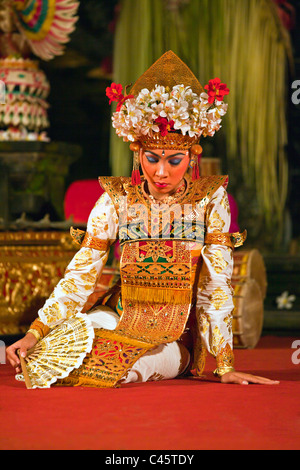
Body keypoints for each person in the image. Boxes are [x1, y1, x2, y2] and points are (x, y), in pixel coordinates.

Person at [7, 51, 279, 388]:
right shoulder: (116, 198)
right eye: (152, 158)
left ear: (194, 155)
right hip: (117, 314)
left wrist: (224, 364)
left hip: (173, 334)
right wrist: (35, 334)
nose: (161, 172)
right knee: (55, 355)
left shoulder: (210, 199)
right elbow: (80, 275)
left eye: (174, 160)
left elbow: (216, 287)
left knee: (115, 369)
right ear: (137, 153)